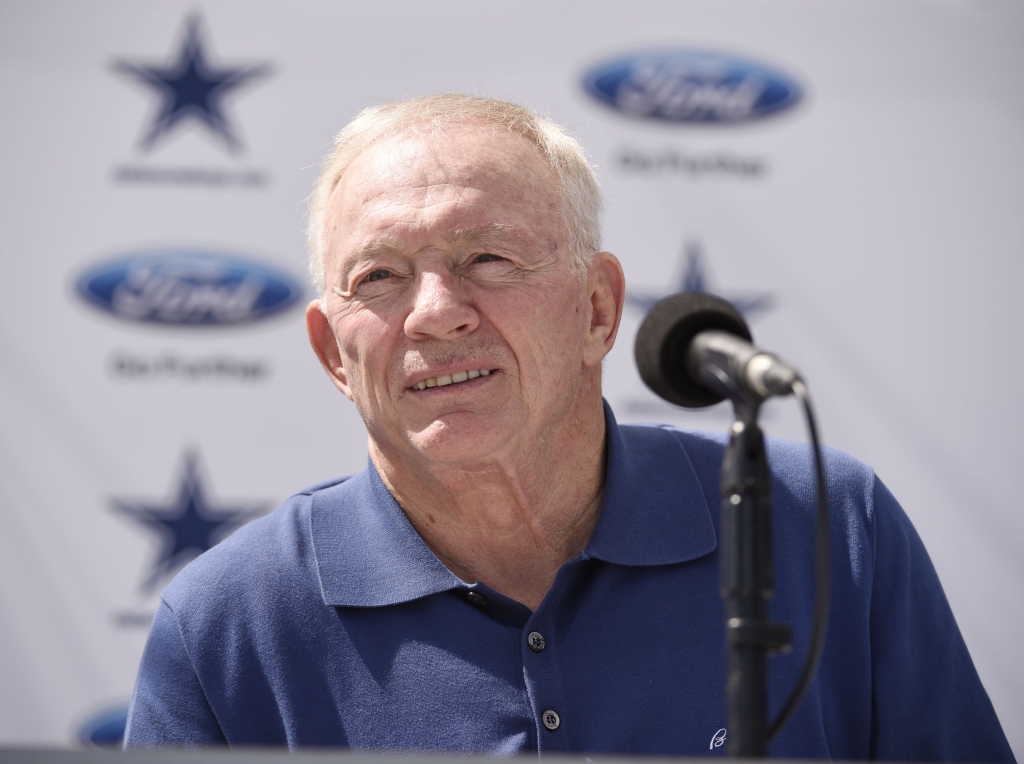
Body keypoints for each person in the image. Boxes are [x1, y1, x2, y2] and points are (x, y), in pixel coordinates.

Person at [124, 94, 1014, 761]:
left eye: (487, 258)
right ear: (331, 353)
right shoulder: (225, 627)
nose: (436, 314)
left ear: (598, 309)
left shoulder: (824, 525)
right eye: (381, 277)